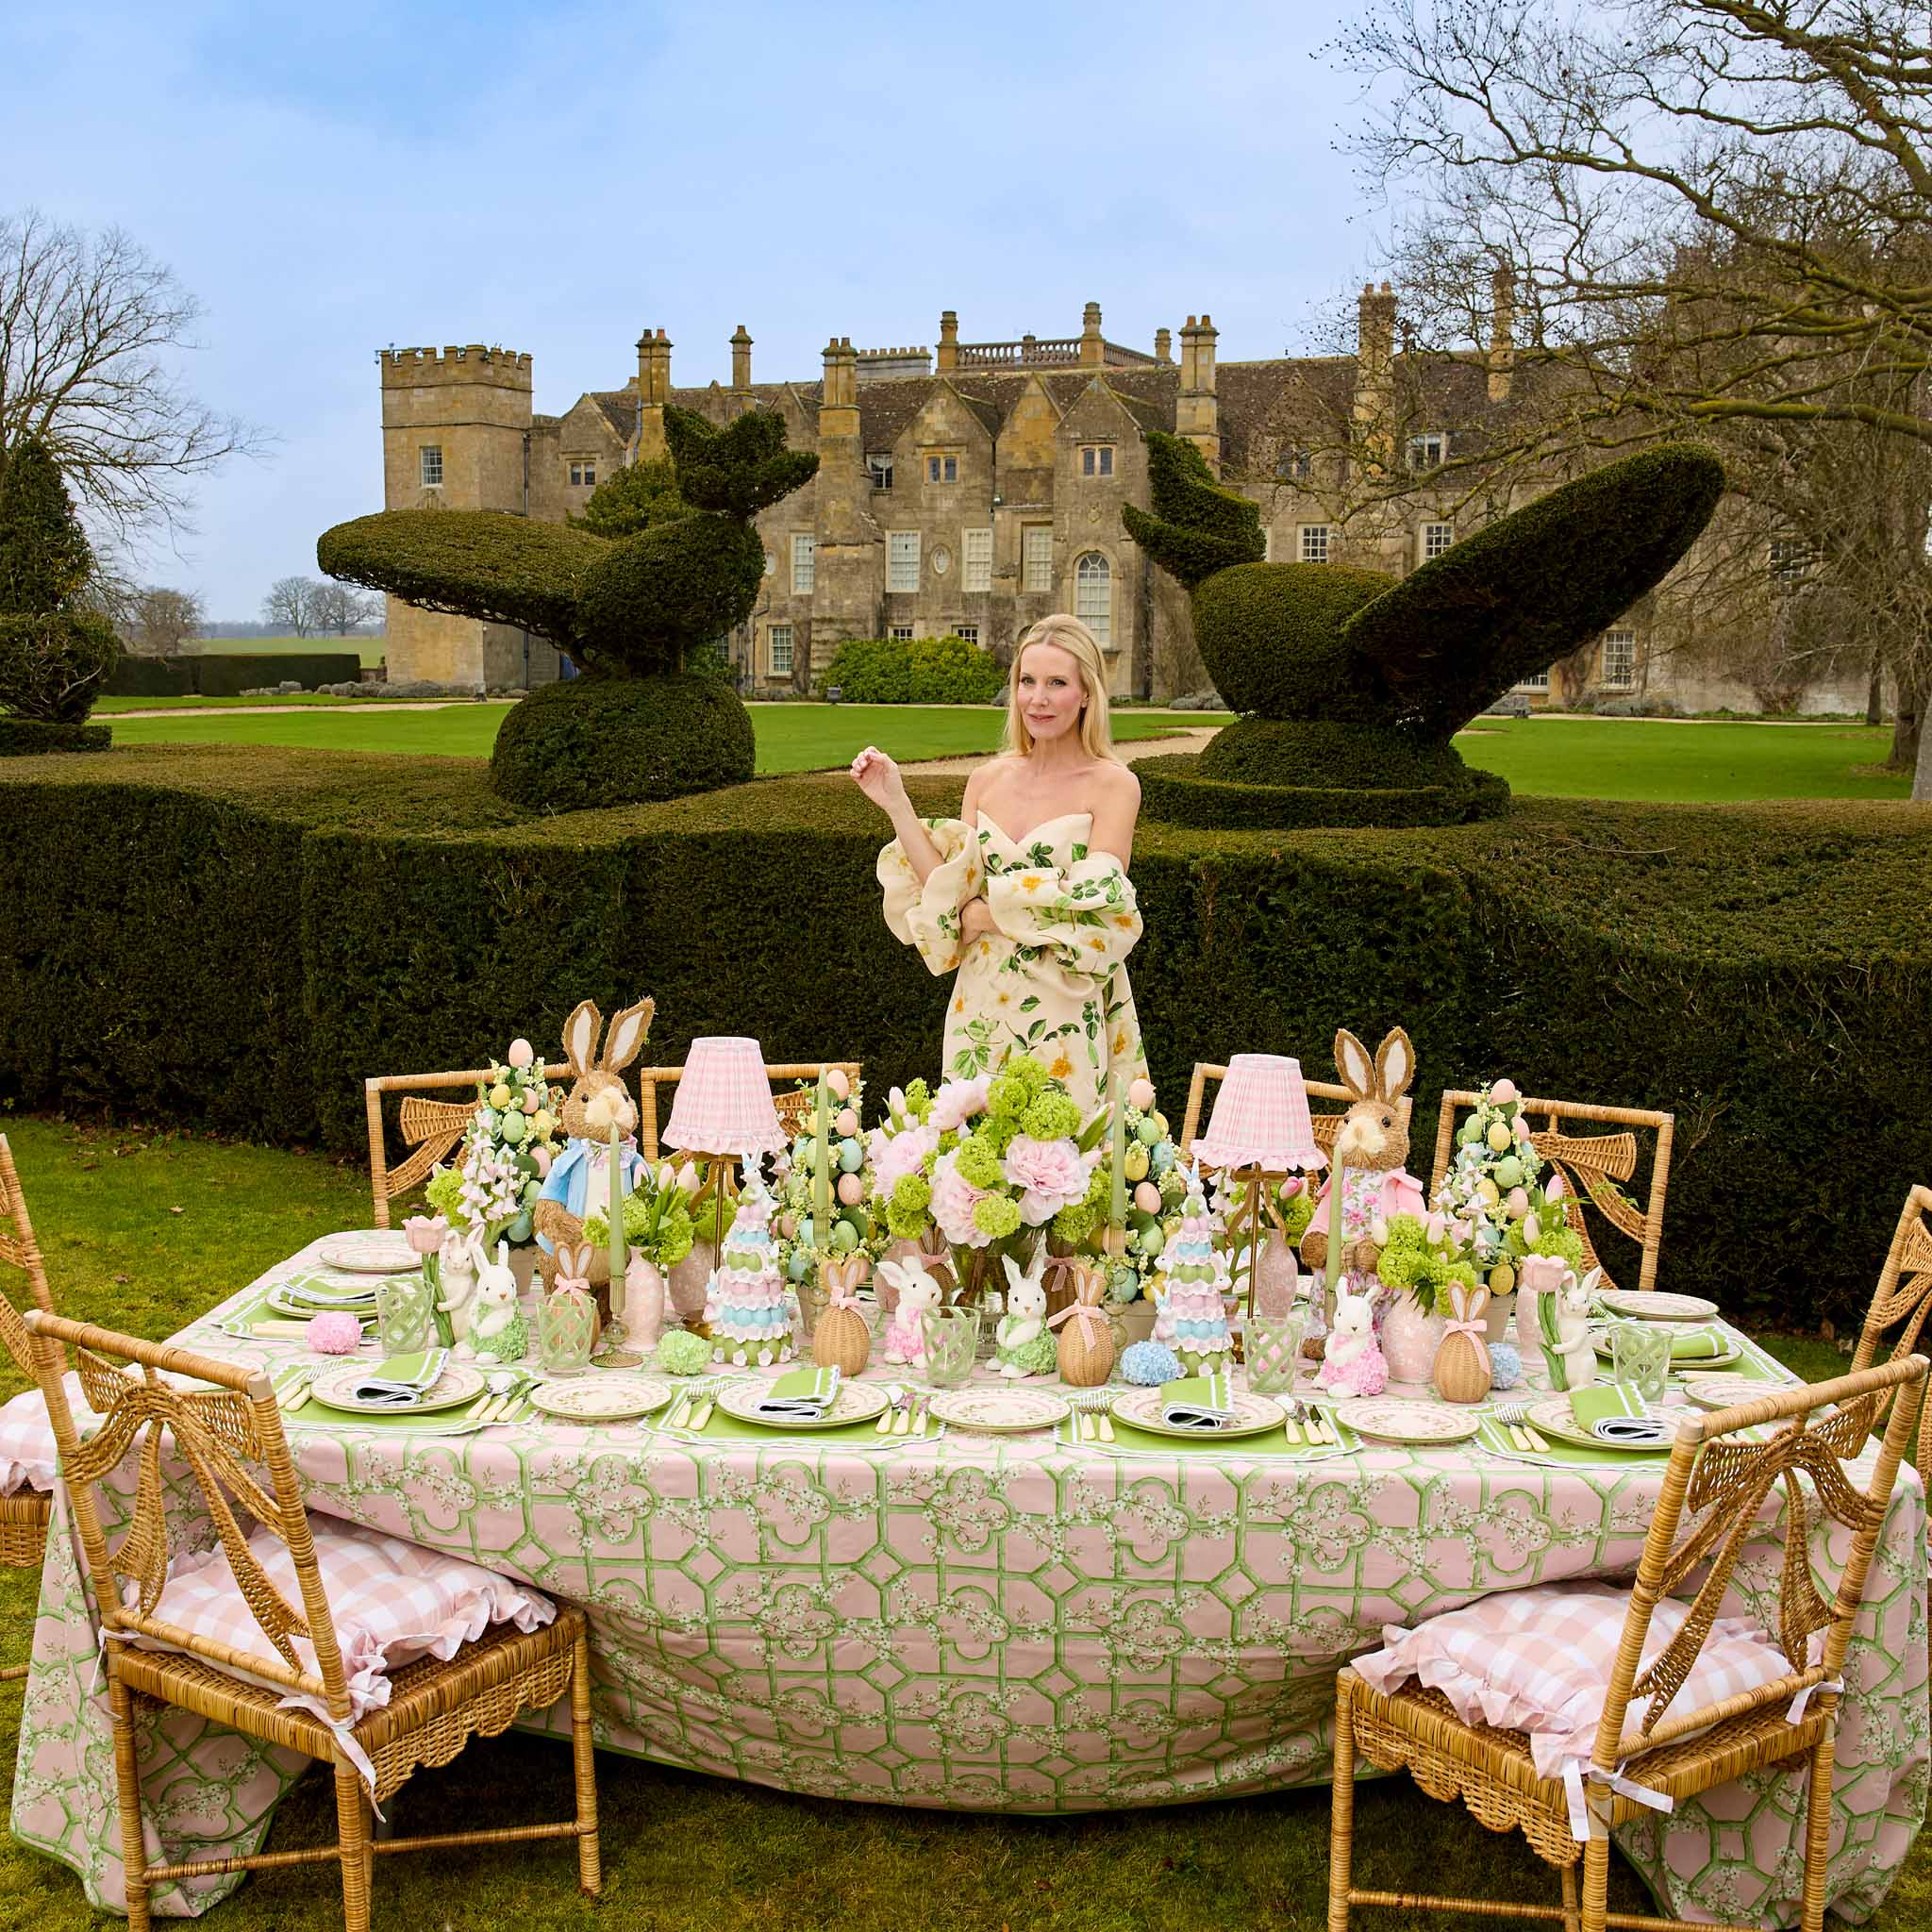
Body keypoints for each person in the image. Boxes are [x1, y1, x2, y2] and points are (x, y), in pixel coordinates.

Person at [851, 613, 1147, 1112]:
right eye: (1027, 682)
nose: (1038, 698)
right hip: (980, 1005)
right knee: (972, 1168)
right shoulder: (986, 780)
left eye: (1057, 683)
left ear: (1087, 694)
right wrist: (897, 804)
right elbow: (948, 890)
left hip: (1063, 1004)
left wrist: (988, 913)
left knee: (1062, 1167)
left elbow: (1097, 907)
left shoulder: (1114, 785)